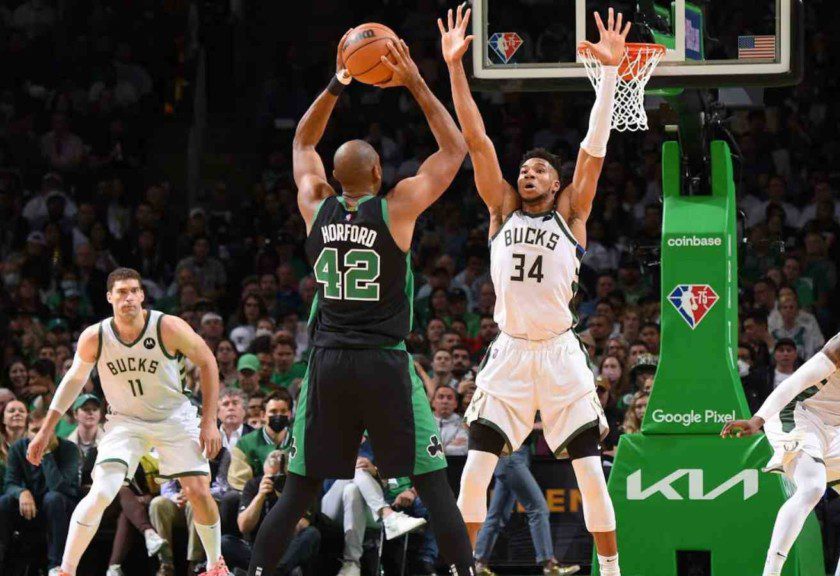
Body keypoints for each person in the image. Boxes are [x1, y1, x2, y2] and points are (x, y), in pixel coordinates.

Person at [246, 24, 474, 576]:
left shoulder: (313, 203)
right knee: (432, 484)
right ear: (378, 173)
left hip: (327, 363)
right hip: (385, 362)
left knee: (299, 489)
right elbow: (455, 148)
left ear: (333, 177)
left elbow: (302, 143)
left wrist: (339, 79)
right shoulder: (396, 210)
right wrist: (417, 80)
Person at [442, 7, 625, 573]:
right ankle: (461, 566)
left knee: (590, 473)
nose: (529, 173)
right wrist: (455, 67)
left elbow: (594, 148)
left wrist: (612, 74)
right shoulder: (500, 208)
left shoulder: (572, 211)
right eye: (525, 168)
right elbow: (475, 138)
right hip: (511, 351)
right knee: (474, 469)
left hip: (561, 351)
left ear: (556, 181)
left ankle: (613, 570)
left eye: (541, 169)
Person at [26, 267, 228, 576]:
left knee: (199, 491)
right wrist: (45, 430)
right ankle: (65, 570)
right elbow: (72, 381)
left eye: (134, 290)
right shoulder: (95, 336)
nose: (129, 297)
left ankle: (216, 566)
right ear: (109, 298)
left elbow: (207, 361)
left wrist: (210, 421)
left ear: (143, 295)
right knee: (101, 492)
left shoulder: (167, 326)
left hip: (173, 417)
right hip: (126, 422)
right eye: (121, 292)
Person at [722, 283, 840, 576]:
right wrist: (757, 420)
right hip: (799, 413)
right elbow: (795, 381)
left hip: (834, 427)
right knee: (812, 487)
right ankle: (770, 573)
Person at [472, 434, 581, 576]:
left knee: (497, 515)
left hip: (516, 454)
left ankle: (478, 565)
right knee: (538, 509)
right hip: (510, 455)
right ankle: (549, 564)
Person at [321, 435, 429, 576]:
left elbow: (387, 488)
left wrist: (375, 472)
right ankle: (387, 515)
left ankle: (352, 564)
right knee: (357, 467)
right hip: (331, 505)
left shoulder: (377, 445)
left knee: (352, 490)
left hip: (367, 509)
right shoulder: (331, 442)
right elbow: (324, 483)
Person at [0, 407, 79, 574]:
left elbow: (59, 487)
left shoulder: (69, 449)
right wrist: (21, 492)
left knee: (53, 498)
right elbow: (9, 484)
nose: (39, 436)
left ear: (53, 430)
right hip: (32, 508)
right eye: (35, 430)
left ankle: (55, 567)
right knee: (4, 502)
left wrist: (46, 453)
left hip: (62, 509)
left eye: (45, 430)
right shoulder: (18, 448)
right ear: (27, 431)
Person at [226, 451, 321, 573]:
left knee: (312, 534)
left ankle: (270, 572)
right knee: (226, 543)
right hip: (255, 549)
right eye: (273, 477)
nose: (277, 481)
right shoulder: (254, 485)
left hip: (286, 549)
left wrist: (285, 498)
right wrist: (260, 496)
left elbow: (300, 526)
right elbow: (244, 526)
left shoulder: (300, 487)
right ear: (265, 470)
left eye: (281, 477)